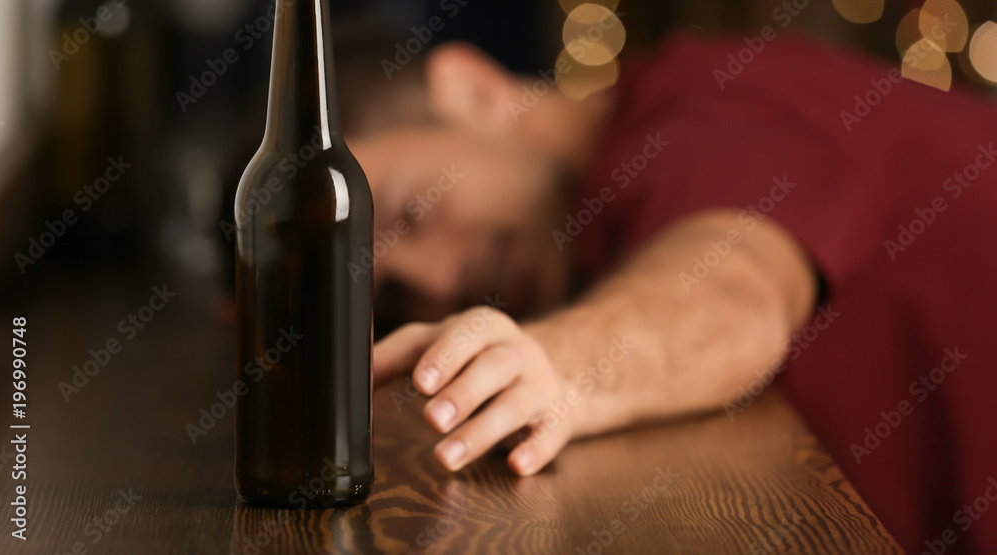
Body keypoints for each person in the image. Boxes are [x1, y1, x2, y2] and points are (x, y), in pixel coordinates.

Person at [336, 29, 997, 554]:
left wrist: (556, 362)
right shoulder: (601, 232)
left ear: (473, 92)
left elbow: (736, 288)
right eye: (392, 295)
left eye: (407, 211)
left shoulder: (706, 103)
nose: (435, 282)